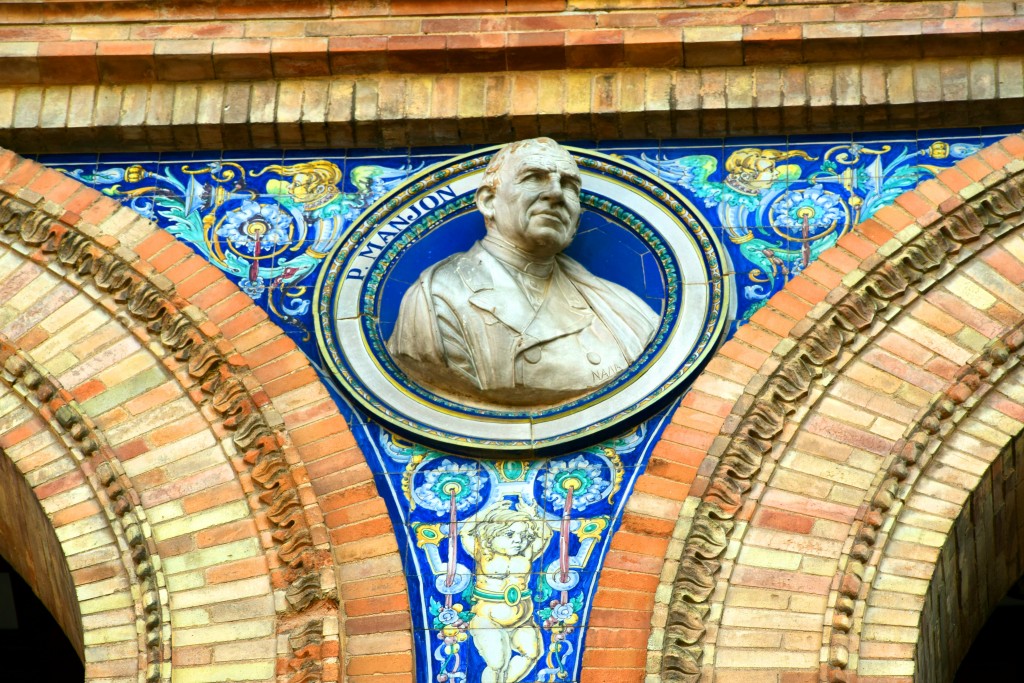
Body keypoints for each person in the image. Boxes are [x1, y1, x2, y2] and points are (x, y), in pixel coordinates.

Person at [386, 138, 660, 406]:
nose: (555, 193)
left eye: (568, 186)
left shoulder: (624, 309)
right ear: (488, 201)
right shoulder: (437, 298)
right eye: (534, 177)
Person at [460, 501, 552, 683]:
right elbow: (465, 532)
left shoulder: (525, 554)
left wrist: (532, 515)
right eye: (509, 534)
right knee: (497, 664)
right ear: (490, 536)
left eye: (523, 535)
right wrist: (486, 512)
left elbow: (545, 535)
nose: (518, 540)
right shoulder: (483, 553)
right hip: (488, 619)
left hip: (523, 620)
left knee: (533, 653)